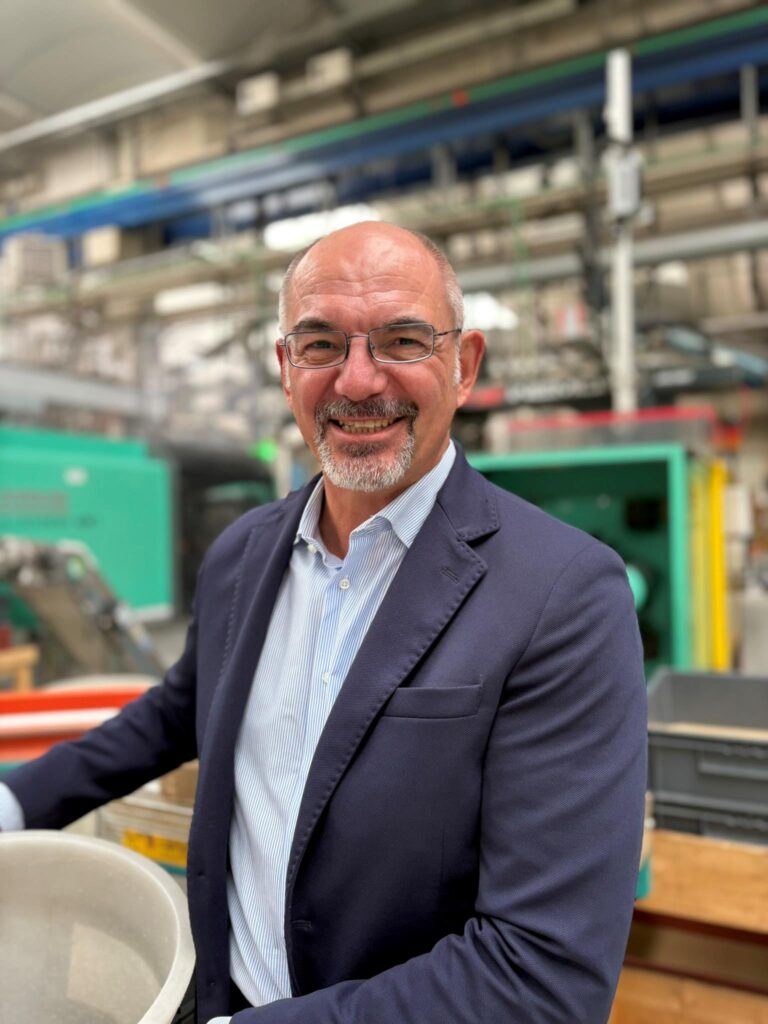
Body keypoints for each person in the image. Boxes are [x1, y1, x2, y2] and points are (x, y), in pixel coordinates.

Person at [0, 222, 647, 1023]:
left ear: (465, 365)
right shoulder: (243, 555)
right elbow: (176, 713)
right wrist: (15, 804)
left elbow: (543, 975)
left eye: (402, 340)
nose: (359, 380)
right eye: (320, 345)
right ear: (285, 369)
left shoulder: (562, 594)